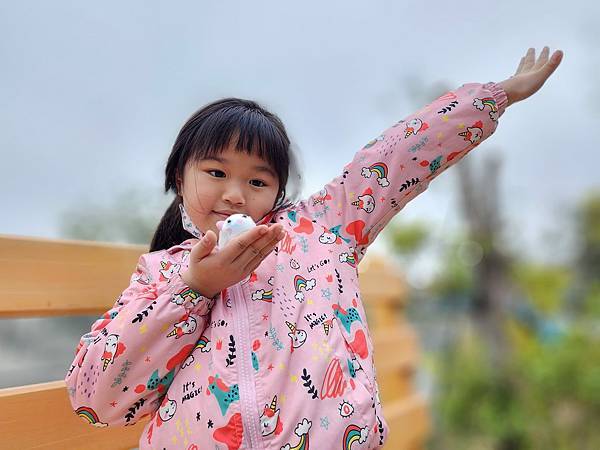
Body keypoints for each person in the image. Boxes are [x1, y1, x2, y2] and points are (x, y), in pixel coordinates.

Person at [65, 47, 563, 449]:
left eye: (257, 180)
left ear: (277, 192)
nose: (235, 193)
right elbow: (96, 397)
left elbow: (390, 159)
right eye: (215, 172)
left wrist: (496, 96)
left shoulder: (321, 230)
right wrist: (193, 290)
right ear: (180, 175)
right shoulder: (158, 275)